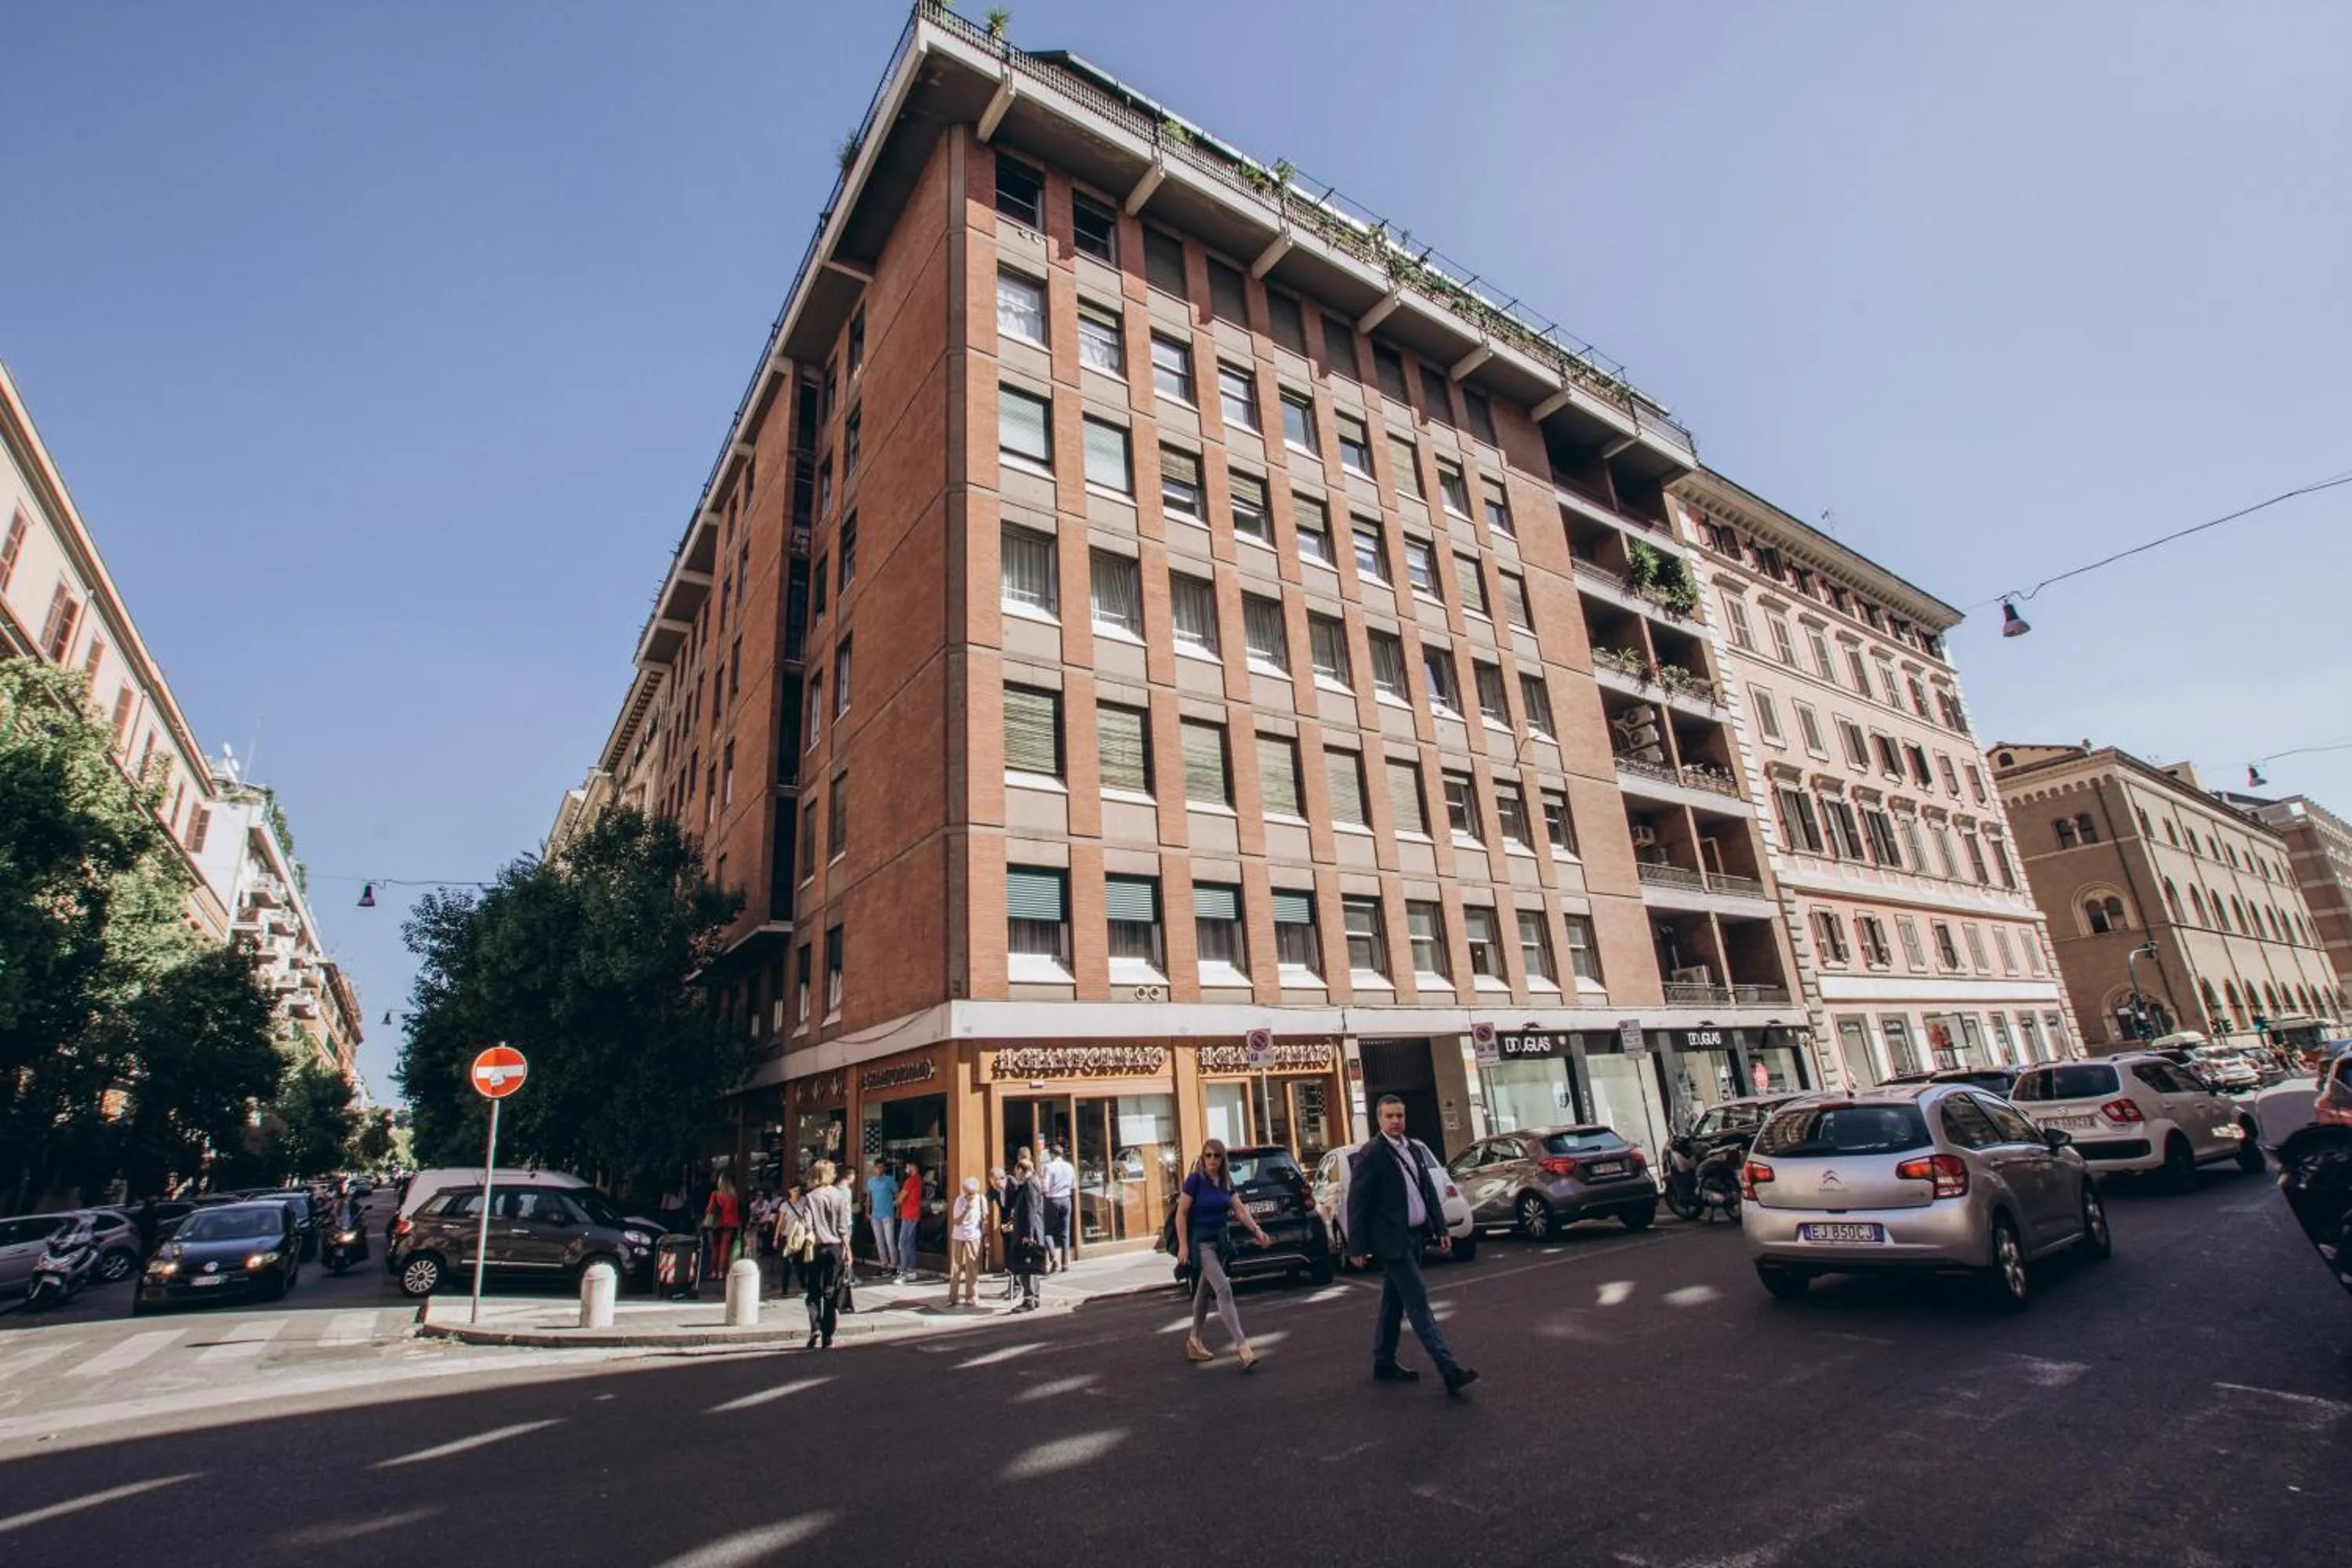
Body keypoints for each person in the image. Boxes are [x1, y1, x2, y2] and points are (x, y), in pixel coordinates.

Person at [1345, 1095, 1478, 1396]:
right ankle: (1449, 1369)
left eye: (1400, 1116)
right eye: (1390, 1116)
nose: (1395, 1121)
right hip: (1393, 1242)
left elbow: (1427, 1190)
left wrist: (1440, 1227)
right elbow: (1358, 1203)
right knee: (1418, 1303)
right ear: (1378, 1119)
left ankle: (1384, 1360)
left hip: (1417, 1237)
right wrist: (1356, 1247)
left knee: (1393, 1302)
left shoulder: (1414, 1149)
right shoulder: (1371, 1154)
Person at [1174, 1138, 1272, 1369]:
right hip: (1202, 1244)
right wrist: (1183, 1245)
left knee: (1204, 1290)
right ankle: (1242, 1346)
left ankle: (1194, 1340)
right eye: (1208, 1155)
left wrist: (1257, 1231)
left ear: (1222, 1159)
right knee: (1223, 1289)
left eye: (1216, 1156)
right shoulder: (1195, 1180)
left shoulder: (1225, 1182)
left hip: (1220, 1243)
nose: (1212, 1160)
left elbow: (1239, 1209)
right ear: (1202, 1156)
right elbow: (1181, 1213)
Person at [801, 1160, 851, 1349]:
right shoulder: (838, 1196)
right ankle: (828, 1336)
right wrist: (848, 1249)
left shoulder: (810, 1197)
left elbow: (807, 1225)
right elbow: (843, 1226)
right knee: (831, 1291)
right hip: (835, 1247)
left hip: (816, 1247)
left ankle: (815, 1326)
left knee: (813, 1291)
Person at [999, 1149, 1049, 1312]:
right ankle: (1033, 1298)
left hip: (1027, 1232)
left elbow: (1030, 1210)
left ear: (1022, 1170)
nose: (1016, 1175)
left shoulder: (1029, 1184)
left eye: (1017, 1171)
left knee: (1027, 1266)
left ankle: (1030, 1299)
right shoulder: (1029, 1183)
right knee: (1030, 1265)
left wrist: (1028, 1234)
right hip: (1028, 1230)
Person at [947, 1176, 986, 1307]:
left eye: (971, 1193)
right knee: (956, 1266)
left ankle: (972, 1296)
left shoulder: (981, 1199)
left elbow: (985, 1216)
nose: (968, 1196)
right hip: (958, 1236)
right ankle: (953, 1297)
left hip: (974, 1236)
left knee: (972, 1265)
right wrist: (966, 1209)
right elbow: (956, 1221)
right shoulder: (959, 1200)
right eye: (966, 1193)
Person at [1039, 1142, 1076, 1272]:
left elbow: (1045, 1187)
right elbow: (1073, 1185)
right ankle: (1065, 1263)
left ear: (1051, 1154)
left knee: (1047, 1230)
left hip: (1053, 1200)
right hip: (1066, 1199)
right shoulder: (1069, 1166)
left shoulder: (1048, 1167)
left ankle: (1054, 1257)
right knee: (1065, 1232)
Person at [864, 1159, 900, 1279]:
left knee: (890, 1241)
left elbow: (897, 1194)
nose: (880, 1169)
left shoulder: (889, 1180)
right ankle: (883, 1265)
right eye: (878, 1167)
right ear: (874, 1168)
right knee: (879, 1242)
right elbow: (869, 1197)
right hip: (875, 1215)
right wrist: (867, 1212)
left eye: (882, 1167)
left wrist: (896, 1208)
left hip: (888, 1214)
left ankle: (894, 1266)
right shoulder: (871, 1182)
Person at [703, 1172, 742, 1278]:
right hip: (731, 1223)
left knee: (715, 1247)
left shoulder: (715, 1194)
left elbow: (709, 1209)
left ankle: (713, 1271)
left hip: (717, 1223)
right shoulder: (734, 1195)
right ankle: (722, 1272)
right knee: (725, 1248)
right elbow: (736, 1211)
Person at [895, 1160, 924, 1283]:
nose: (905, 1168)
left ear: (911, 1166)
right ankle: (911, 1270)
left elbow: (901, 1197)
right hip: (913, 1214)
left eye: (907, 1166)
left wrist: (895, 1202)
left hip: (909, 1215)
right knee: (910, 1243)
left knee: (903, 1243)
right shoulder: (918, 1179)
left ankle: (903, 1272)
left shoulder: (910, 1180)